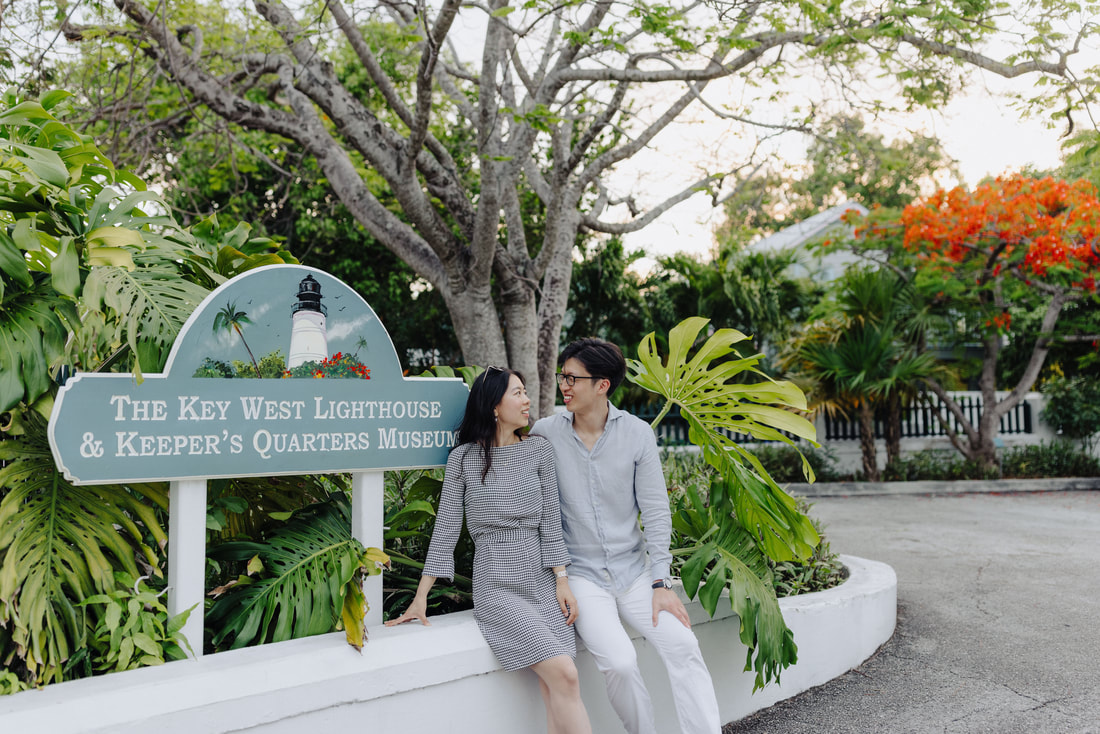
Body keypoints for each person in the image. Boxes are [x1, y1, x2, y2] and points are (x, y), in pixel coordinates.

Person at [531, 338, 722, 734]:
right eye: (562, 376)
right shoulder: (544, 434)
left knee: (684, 647)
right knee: (619, 662)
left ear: (602, 385)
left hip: (635, 573)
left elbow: (655, 512)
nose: (563, 385)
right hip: (581, 577)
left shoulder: (636, 434)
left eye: (573, 378)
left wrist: (660, 581)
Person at [386, 367, 592, 734]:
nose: (527, 400)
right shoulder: (463, 459)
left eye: (526, 392)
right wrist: (421, 597)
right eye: (518, 393)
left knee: (554, 688)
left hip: (543, 584)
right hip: (497, 586)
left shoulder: (538, 451)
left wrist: (562, 580)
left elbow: (550, 521)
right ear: (494, 406)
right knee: (565, 674)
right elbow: (446, 528)